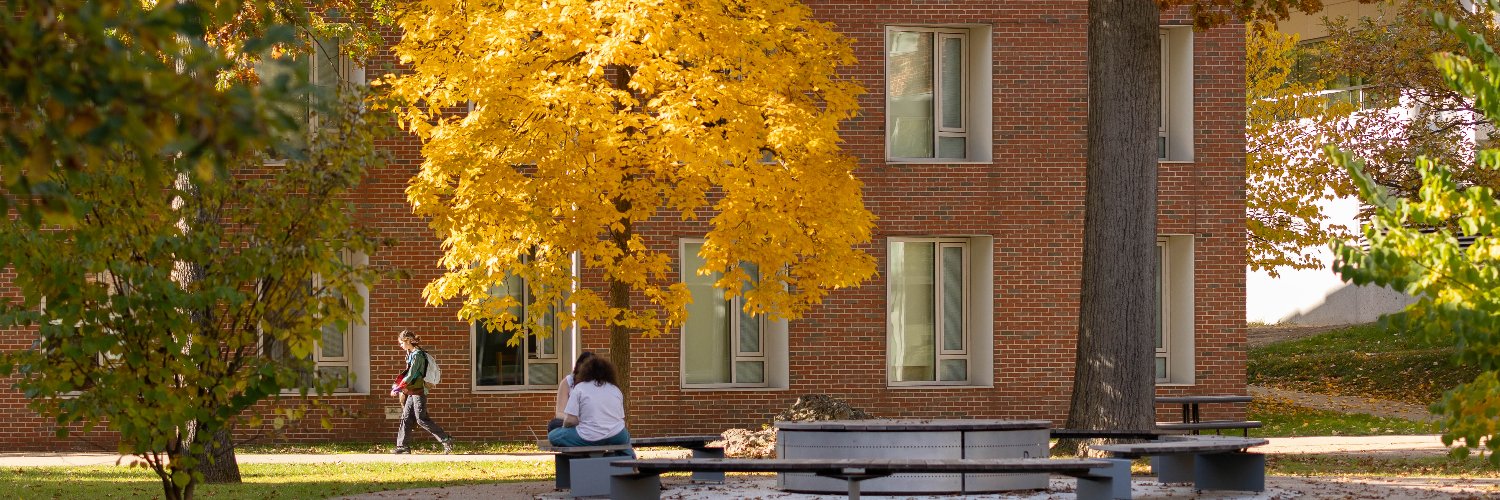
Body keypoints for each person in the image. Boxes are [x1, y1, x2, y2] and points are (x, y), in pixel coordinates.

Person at [547, 356, 631, 455]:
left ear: (585, 371)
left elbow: (570, 420)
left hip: (589, 436)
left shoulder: (580, 388)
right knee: (626, 438)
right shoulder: (616, 390)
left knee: (554, 435)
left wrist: (565, 428)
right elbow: (620, 418)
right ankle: (630, 461)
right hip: (617, 435)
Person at [392, 330, 454, 454]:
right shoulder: (410, 354)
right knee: (406, 417)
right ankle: (402, 446)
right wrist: (399, 385)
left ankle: (446, 439)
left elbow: (412, 374)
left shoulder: (418, 355)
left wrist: (399, 387)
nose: (401, 345)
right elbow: (408, 373)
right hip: (412, 390)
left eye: (401, 343)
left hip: (419, 391)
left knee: (421, 419)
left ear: (408, 340)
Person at [549, 351, 596, 431]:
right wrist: (575, 420)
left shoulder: (601, 383)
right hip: (572, 422)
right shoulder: (568, 382)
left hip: (594, 423)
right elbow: (559, 413)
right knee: (554, 424)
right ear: (578, 367)